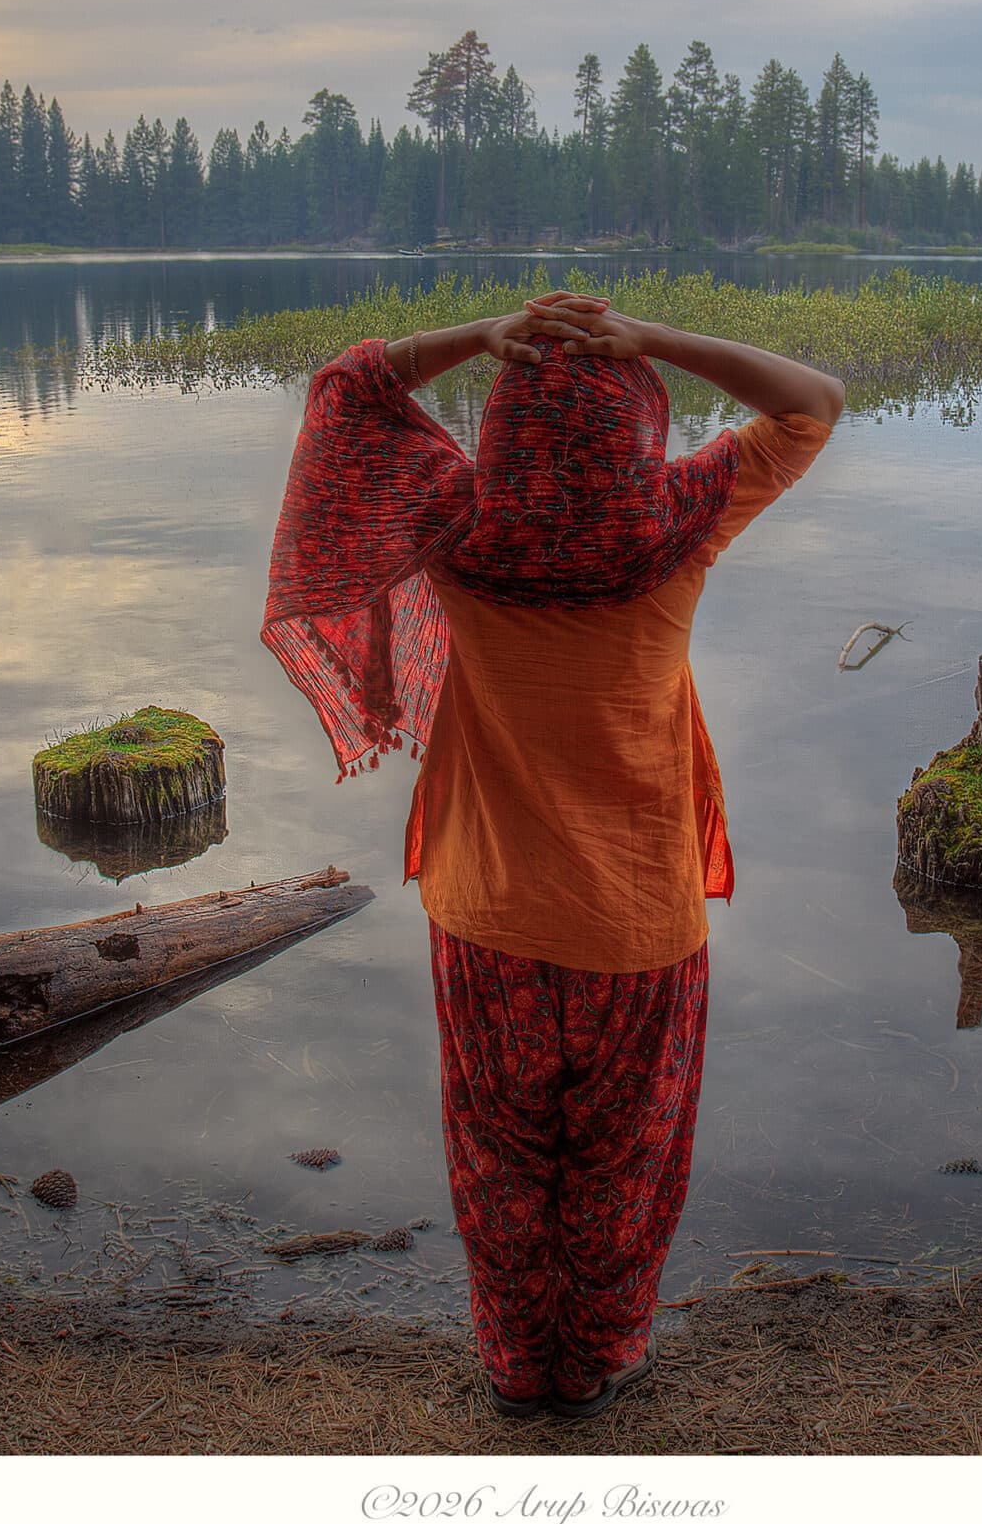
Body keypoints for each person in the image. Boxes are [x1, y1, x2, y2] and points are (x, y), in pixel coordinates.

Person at [260, 289, 843, 1419]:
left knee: (499, 1150)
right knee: (626, 1155)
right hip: (637, 916)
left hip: (487, 909)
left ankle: (517, 1363)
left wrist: (480, 337)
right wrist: (652, 337)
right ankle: (604, 1354)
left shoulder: (457, 523)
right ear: (640, 422)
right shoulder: (677, 521)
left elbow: (345, 389)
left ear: (499, 429)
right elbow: (814, 400)